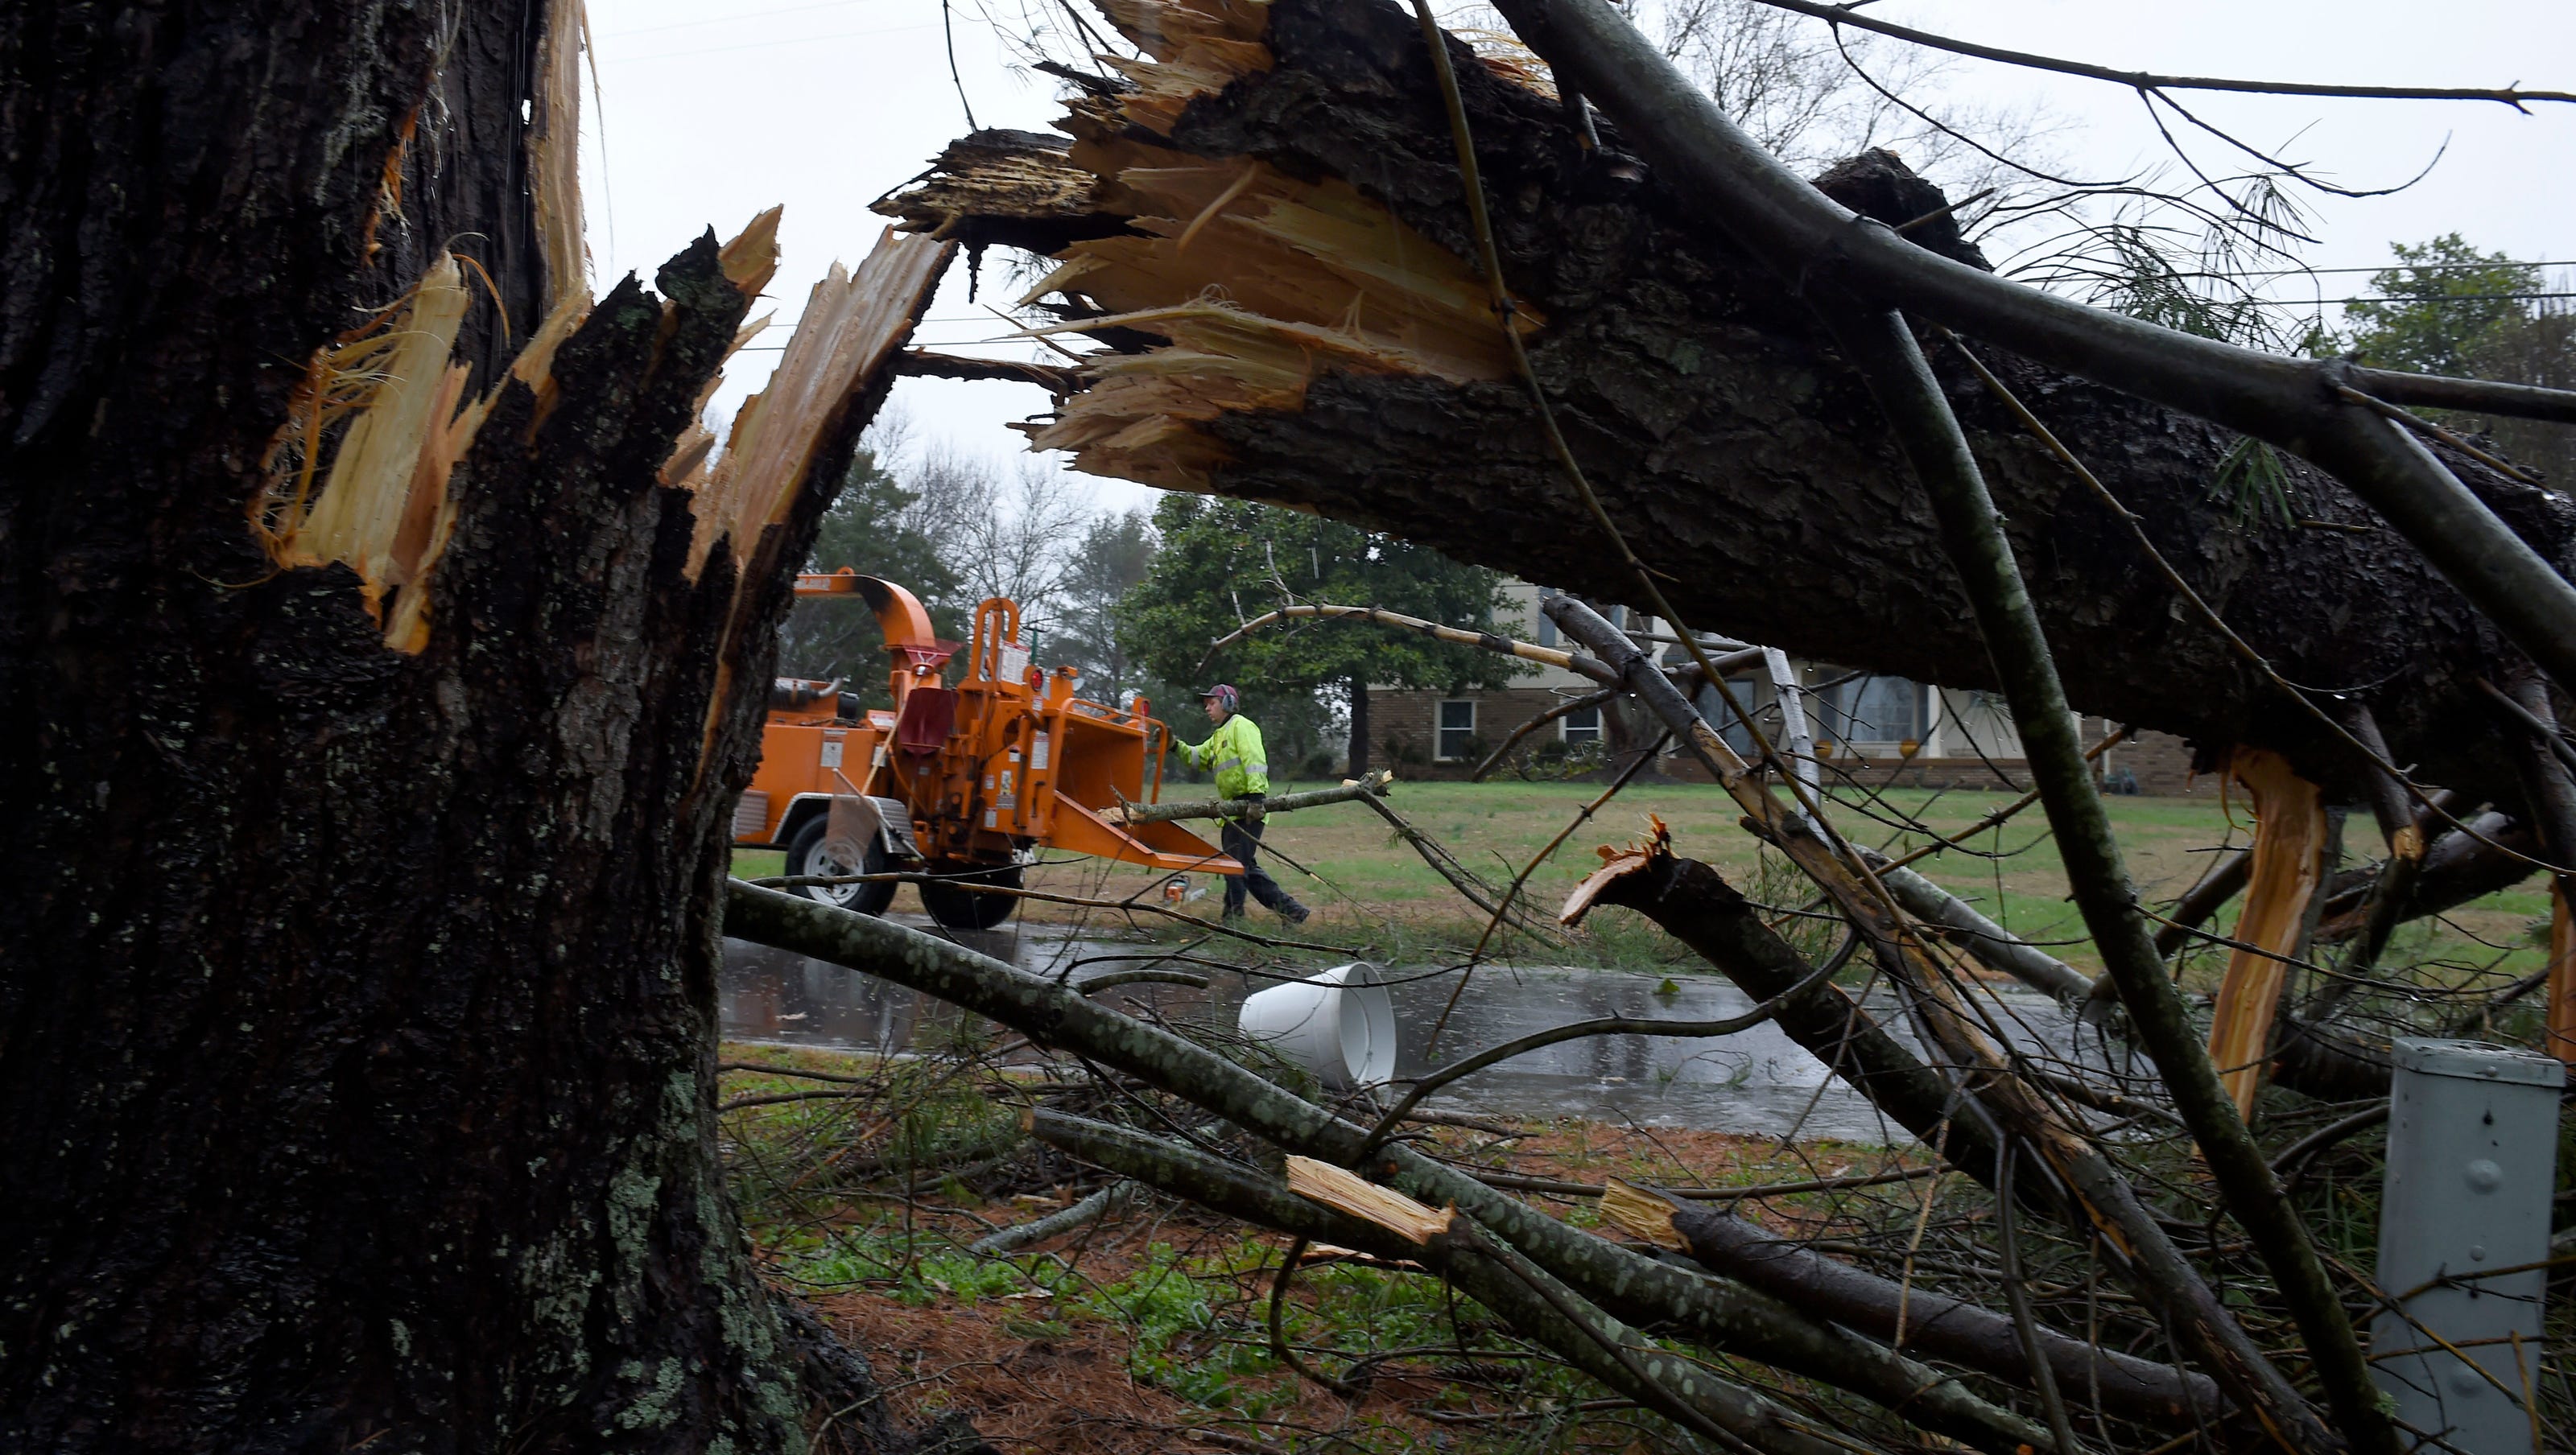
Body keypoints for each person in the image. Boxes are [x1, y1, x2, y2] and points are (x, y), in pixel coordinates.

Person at [1170, 683, 1311, 925]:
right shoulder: (1218, 737)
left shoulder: (1242, 727)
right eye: (1206, 704)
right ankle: (1293, 911)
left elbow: (1254, 761)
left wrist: (1256, 799)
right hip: (1232, 811)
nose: (1207, 708)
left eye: (1211, 703)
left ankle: (1232, 921)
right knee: (1246, 870)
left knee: (1234, 868)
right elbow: (1197, 757)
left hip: (1248, 808)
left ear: (1227, 703)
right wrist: (1174, 745)